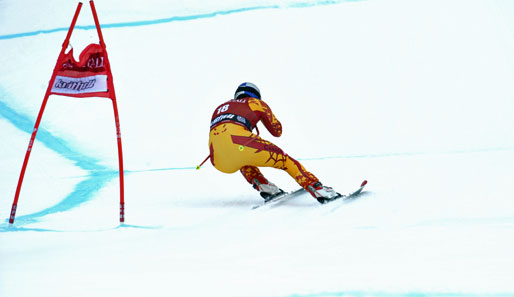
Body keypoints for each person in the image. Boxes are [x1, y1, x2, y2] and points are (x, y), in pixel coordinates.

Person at [207, 82, 339, 203]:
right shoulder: (255, 103)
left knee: (243, 160)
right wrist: (260, 115)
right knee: (286, 161)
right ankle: (318, 189)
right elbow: (277, 131)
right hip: (240, 142)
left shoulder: (219, 108)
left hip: (217, 160)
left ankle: (265, 187)